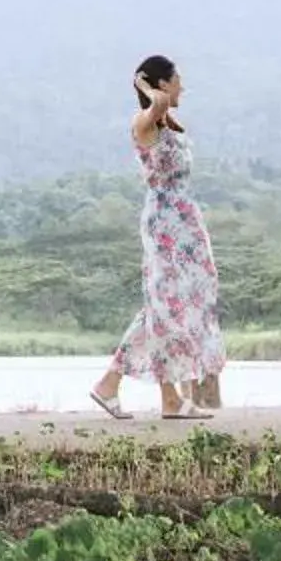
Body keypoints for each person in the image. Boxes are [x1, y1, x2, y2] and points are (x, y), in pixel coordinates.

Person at [89, 54, 226, 420]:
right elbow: (159, 102)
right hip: (165, 223)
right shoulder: (144, 122)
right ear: (162, 84)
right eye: (177, 79)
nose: (182, 85)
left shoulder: (167, 123)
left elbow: (166, 109)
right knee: (165, 307)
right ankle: (147, 393)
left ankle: (127, 388)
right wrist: (144, 86)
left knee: (176, 305)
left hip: (184, 223)